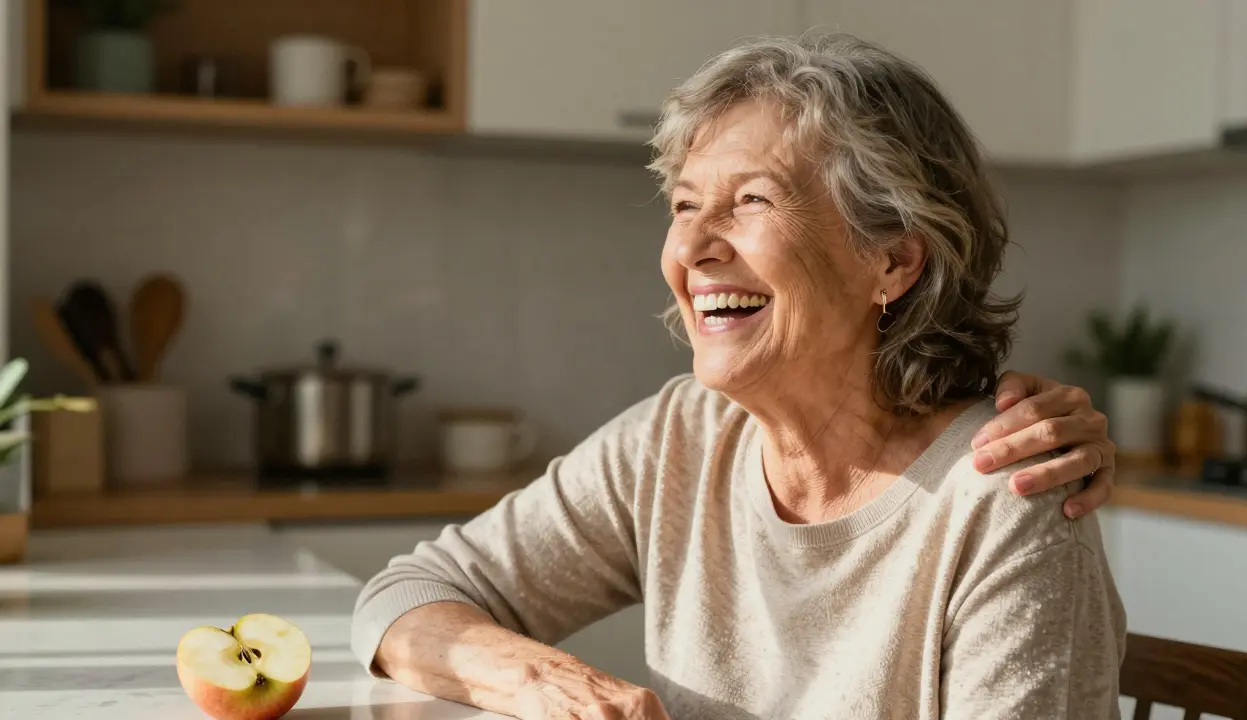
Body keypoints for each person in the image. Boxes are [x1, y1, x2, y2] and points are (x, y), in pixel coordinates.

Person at [351, 34, 1125, 719]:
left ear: (890, 260)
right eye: (686, 206)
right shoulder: (680, 438)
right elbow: (405, 597)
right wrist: (536, 680)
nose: (691, 249)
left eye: (751, 200)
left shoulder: (1008, 495)